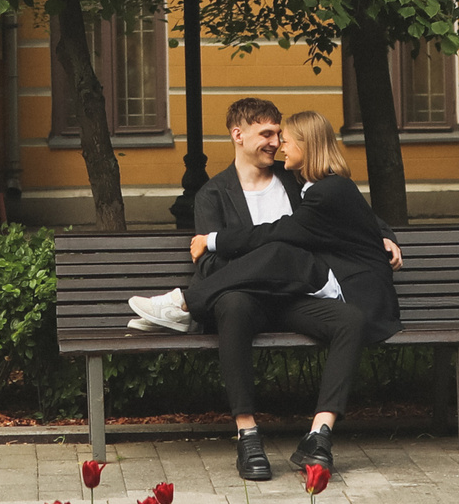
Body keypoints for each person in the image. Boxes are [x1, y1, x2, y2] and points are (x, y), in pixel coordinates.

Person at [128, 98, 402, 481]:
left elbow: (353, 212)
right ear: (238, 136)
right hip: (249, 298)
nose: (275, 143)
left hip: (301, 294)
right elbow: (208, 264)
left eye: (280, 134)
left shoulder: (296, 178)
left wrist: (385, 238)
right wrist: (260, 268)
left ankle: (318, 437)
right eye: (267, 134)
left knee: (350, 318)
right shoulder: (213, 194)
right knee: (235, 305)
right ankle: (248, 434)